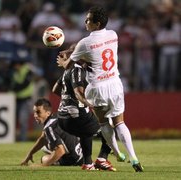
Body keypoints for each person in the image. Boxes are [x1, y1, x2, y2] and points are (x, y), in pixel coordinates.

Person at [57, 6, 143, 172]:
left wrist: (64, 60)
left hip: (97, 88)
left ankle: (117, 153)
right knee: (120, 123)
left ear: (96, 24)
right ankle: (133, 158)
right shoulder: (113, 35)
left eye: (88, 20)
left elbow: (69, 65)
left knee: (104, 123)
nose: (85, 22)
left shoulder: (85, 43)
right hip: (115, 83)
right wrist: (74, 52)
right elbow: (90, 51)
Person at [53, 47, 125, 171]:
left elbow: (55, 89)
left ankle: (88, 164)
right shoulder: (77, 69)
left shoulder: (68, 70)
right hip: (75, 116)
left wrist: (67, 101)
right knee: (110, 129)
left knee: (86, 132)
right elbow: (78, 93)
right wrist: (88, 103)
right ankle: (102, 159)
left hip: (62, 117)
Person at [21, 98, 83, 166]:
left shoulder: (49, 127)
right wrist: (30, 154)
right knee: (46, 142)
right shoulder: (56, 116)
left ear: (48, 113)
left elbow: (60, 151)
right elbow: (42, 138)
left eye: (38, 112)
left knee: (44, 158)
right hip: (81, 154)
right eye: (34, 112)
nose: (35, 115)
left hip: (72, 159)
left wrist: (42, 166)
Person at [10, 61, 34, 141]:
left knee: (23, 120)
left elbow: (25, 83)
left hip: (26, 99)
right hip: (17, 99)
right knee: (16, 120)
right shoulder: (16, 72)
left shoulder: (27, 70)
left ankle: (23, 139)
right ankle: (17, 139)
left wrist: (15, 89)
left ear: (18, 64)